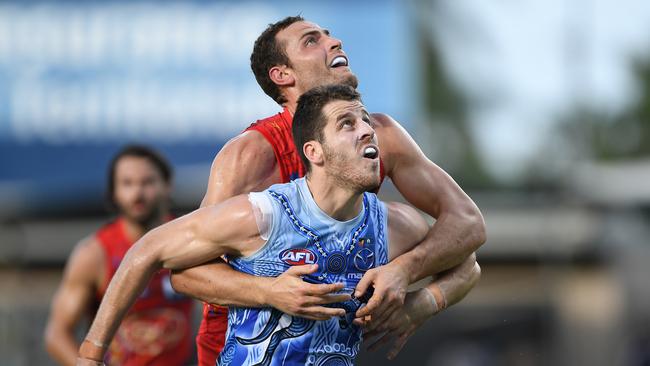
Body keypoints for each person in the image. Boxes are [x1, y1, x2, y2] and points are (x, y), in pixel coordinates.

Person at [77, 85, 479, 366]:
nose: (367, 130)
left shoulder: (395, 226)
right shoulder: (261, 214)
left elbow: (467, 264)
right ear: (314, 152)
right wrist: (91, 356)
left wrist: (419, 301)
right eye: (347, 124)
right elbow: (147, 250)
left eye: (365, 121)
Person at [169, 16, 486, 364]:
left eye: (330, 36)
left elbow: (467, 229)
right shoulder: (251, 154)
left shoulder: (381, 135)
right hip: (238, 351)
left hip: (329, 348)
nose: (334, 43)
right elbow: (186, 273)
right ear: (282, 75)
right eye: (311, 41)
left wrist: (410, 284)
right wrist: (269, 292)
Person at [44, 145, 194, 366]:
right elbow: (57, 335)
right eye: (127, 184)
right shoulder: (95, 254)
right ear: (114, 192)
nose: (137, 194)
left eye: (147, 182)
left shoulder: (189, 240)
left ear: (167, 185)